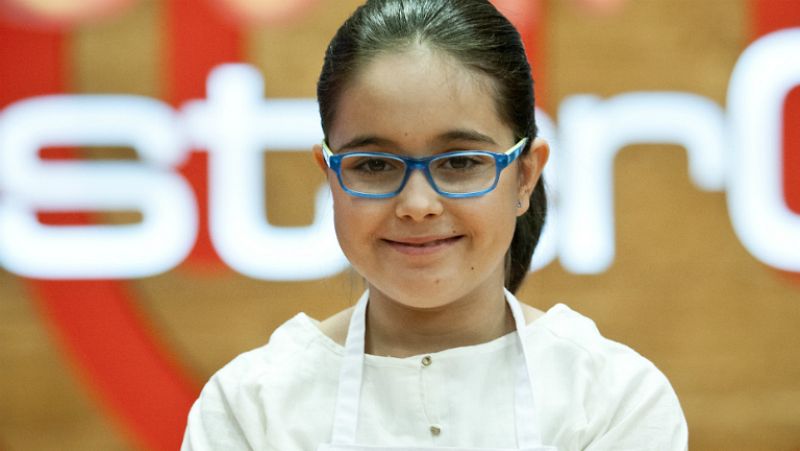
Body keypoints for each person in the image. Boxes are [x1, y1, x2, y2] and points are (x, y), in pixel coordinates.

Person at [182, 0, 688, 449]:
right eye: (375, 165)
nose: (417, 204)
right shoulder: (250, 408)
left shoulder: (613, 399)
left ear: (525, 176)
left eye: (460, 162)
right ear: (331, 177)